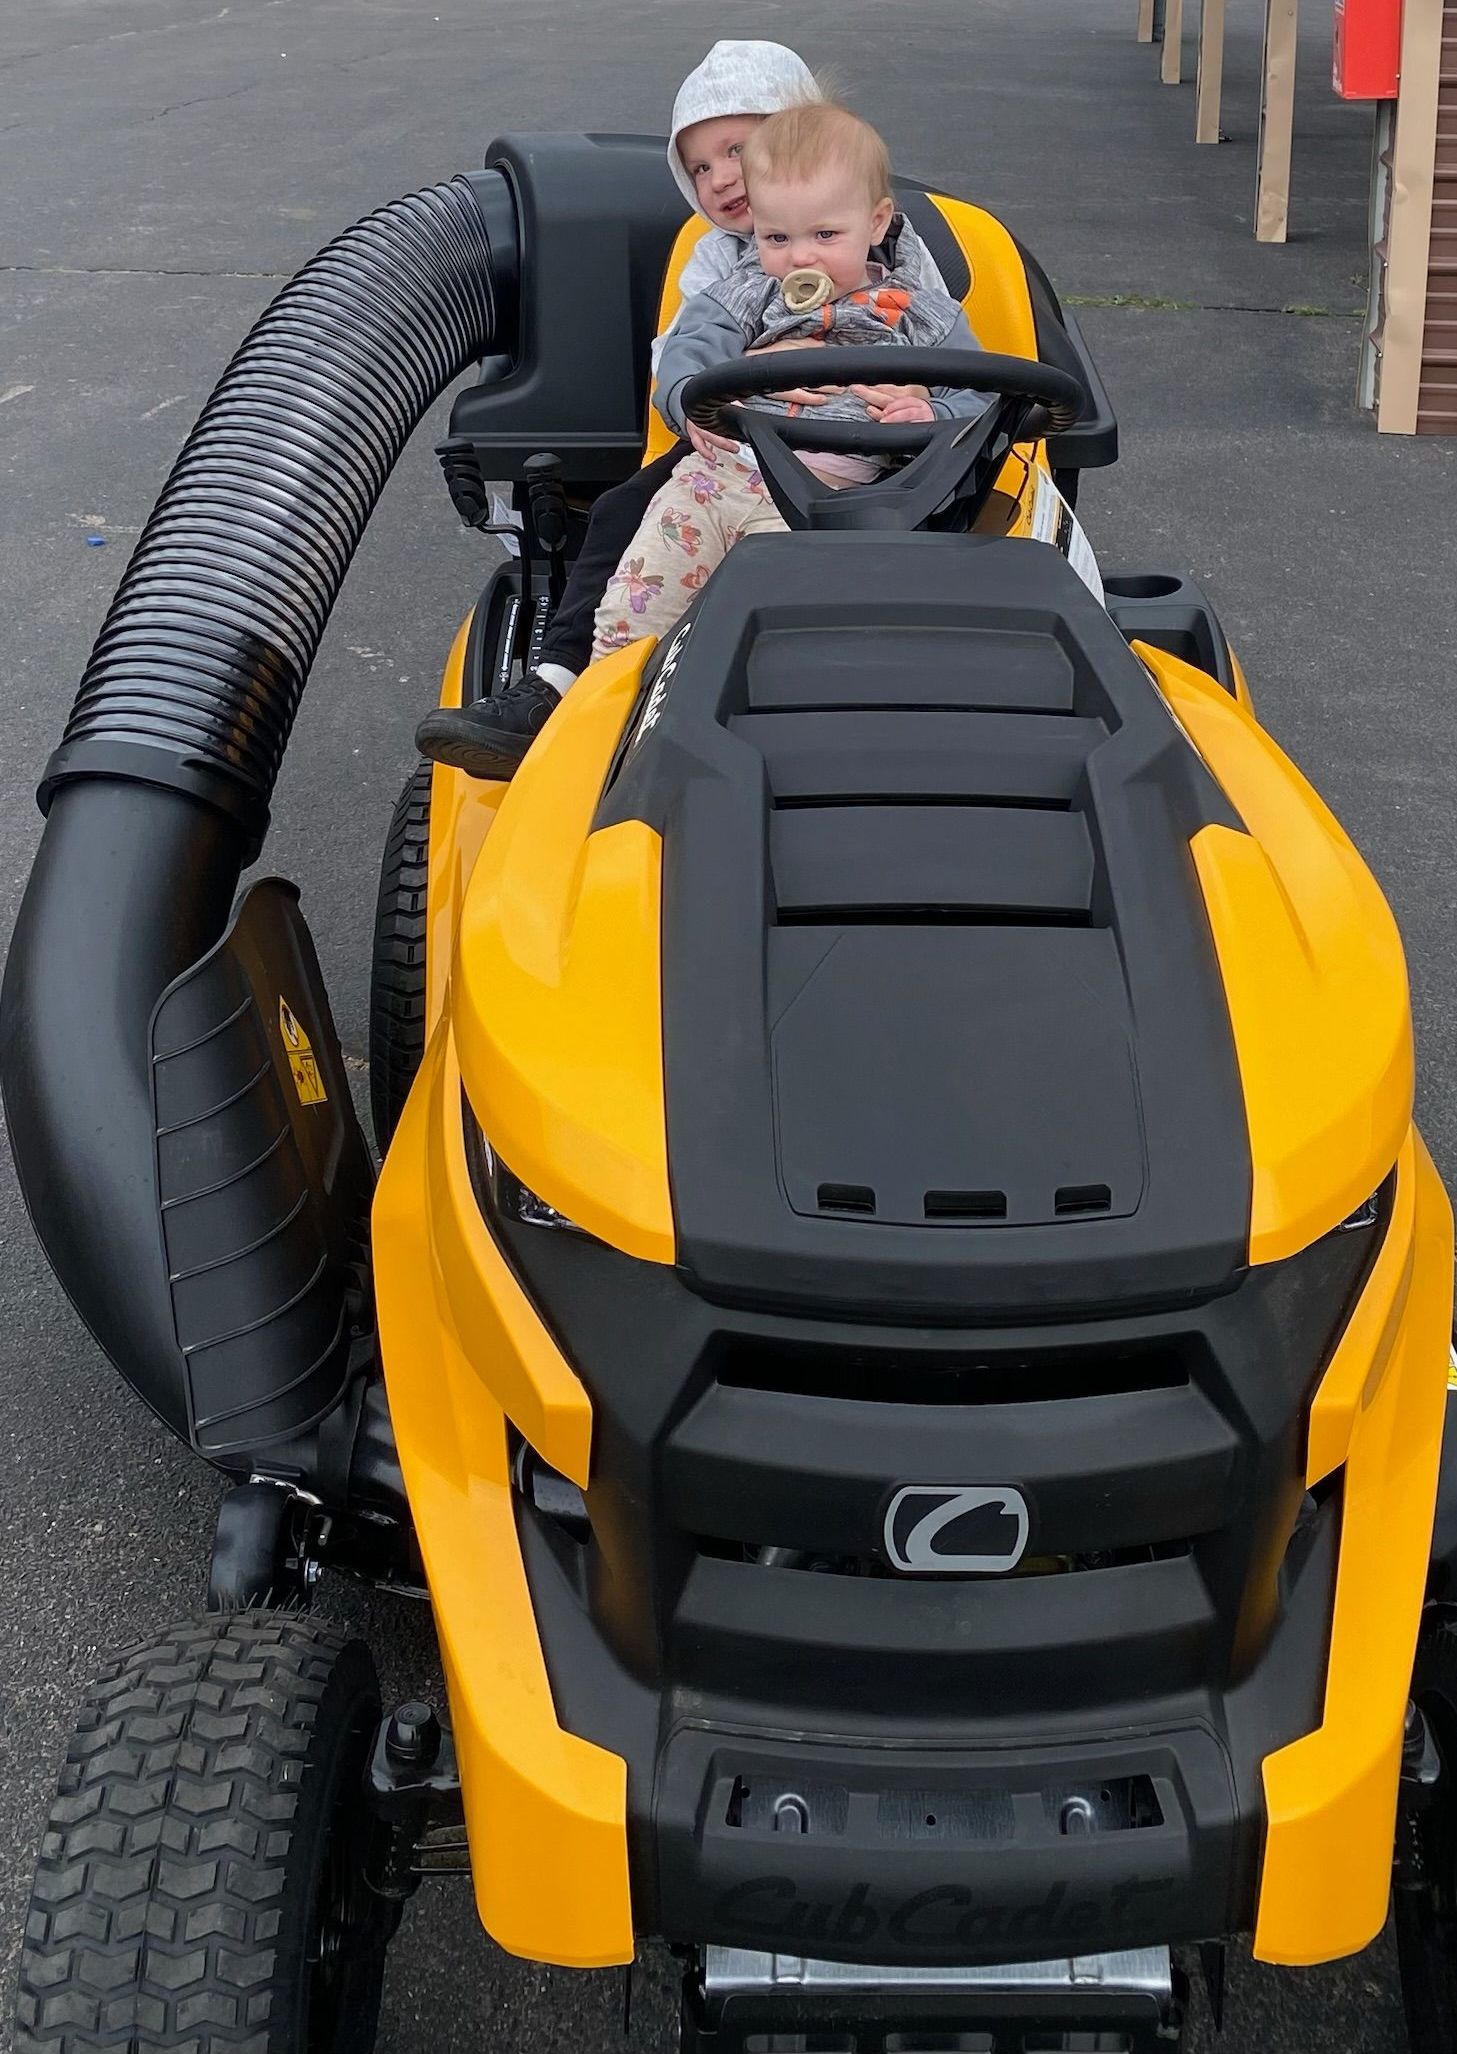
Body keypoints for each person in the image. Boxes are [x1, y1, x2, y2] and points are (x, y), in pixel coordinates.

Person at [415, 41, 952, 781]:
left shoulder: (904, 275)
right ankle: (574, 689)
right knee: (622, 514)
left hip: (867, 459)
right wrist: (708, 386)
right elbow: (685, 350)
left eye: (737, 149)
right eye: (699, 167)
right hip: (742, 439)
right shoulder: (727, 269)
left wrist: (921, 402)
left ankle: (844, 707)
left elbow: (965, 371)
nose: (720, 177)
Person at [590, 101, 989, 658]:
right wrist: (692, 395)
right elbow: (687, 353)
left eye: (825, 234)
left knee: (779, 637)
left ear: (876, 222)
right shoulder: (746, 292)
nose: (801, 256)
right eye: (776, 238)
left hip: (833, 501)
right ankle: (610, 716)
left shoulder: (918, 312)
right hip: (718, 476)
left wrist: (930, 415)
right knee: (631, 622)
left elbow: (980, 395)